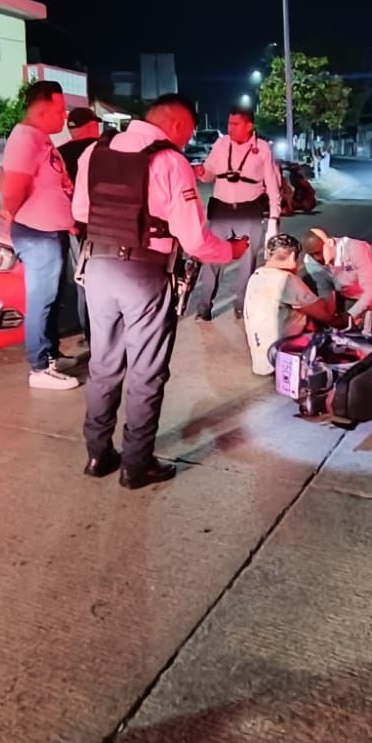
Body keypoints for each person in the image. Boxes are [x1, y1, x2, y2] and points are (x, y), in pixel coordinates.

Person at [72, 94, 250, 489]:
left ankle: (98, 453)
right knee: (146, 373)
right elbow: (195, 240)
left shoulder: (95, 153)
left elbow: (81, 213)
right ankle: (137, 465)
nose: (186, 143)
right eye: (186, 134)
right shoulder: (170, 161)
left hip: (97, 270)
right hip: (143, 275)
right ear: (176, 126)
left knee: (103, 366)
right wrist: (232, 251)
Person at [1, 80, 80, 390]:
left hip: (52, 231)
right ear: (42, 110)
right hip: (37, 234)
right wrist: (11, 219)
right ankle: (39, 368)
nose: (64, 116)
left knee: (53, 298)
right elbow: (13, 191)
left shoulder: (41, 139)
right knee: (41, 301)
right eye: (60, 110)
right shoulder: (24, 140)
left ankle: (50, 355)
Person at [191, 107, 282, 321]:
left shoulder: (263, 149)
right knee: (212, 258)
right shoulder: (221, 144)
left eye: (235, 124)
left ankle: (241, 305)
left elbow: (271, 183)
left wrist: (274, 217)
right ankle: (204, 307)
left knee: (247, 262)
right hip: (221, 210)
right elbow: (209, 173)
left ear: (249, 125)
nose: (230, 128)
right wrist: (203, 173)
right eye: (229, 123)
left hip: (250, 211)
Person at [244, 233, 342, 376]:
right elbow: (325, 314)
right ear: (292, 257)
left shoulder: (256, 276)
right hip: (283, 361)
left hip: (261, 361)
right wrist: (331, 287)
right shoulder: (286, 280)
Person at [57, 107, 107, 341]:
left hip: (75, 225)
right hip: (106, 224)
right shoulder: (102, 149)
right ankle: (105, 331)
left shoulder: (58, 154)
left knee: (83, 279)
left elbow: (56, 191)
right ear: (89, 126)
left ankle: (90, 333)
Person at [300, 227, 372, 325]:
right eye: (312, 255)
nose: (316, 258)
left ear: (329, 243)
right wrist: (329, 317)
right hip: (345, 296)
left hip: (367, 298)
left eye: (318, 252)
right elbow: (325, 288)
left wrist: (350, 315)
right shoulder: (311, 262)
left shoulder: (356, 249)